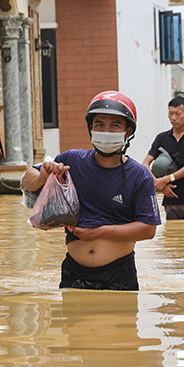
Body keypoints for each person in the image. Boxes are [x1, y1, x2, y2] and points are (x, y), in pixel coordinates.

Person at [21, 91, 161, 291]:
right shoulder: (71, 161)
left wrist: (99, 232)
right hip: (74, 272)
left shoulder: (140, 176)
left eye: (115, 125)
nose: (106, 130)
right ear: (90, 128)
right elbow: (27, 181)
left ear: (128, 131)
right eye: (99, 124)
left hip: (119, 274)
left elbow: (148, 229)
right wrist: (44, 175)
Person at [142, 95, 184, 221]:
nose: (173, 118)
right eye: (170, 113)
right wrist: (158, 184)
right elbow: (145, 164)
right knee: (174, 238)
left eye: (178, 114)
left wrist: (166, 179)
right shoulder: (161, 138)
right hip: (171, 201)